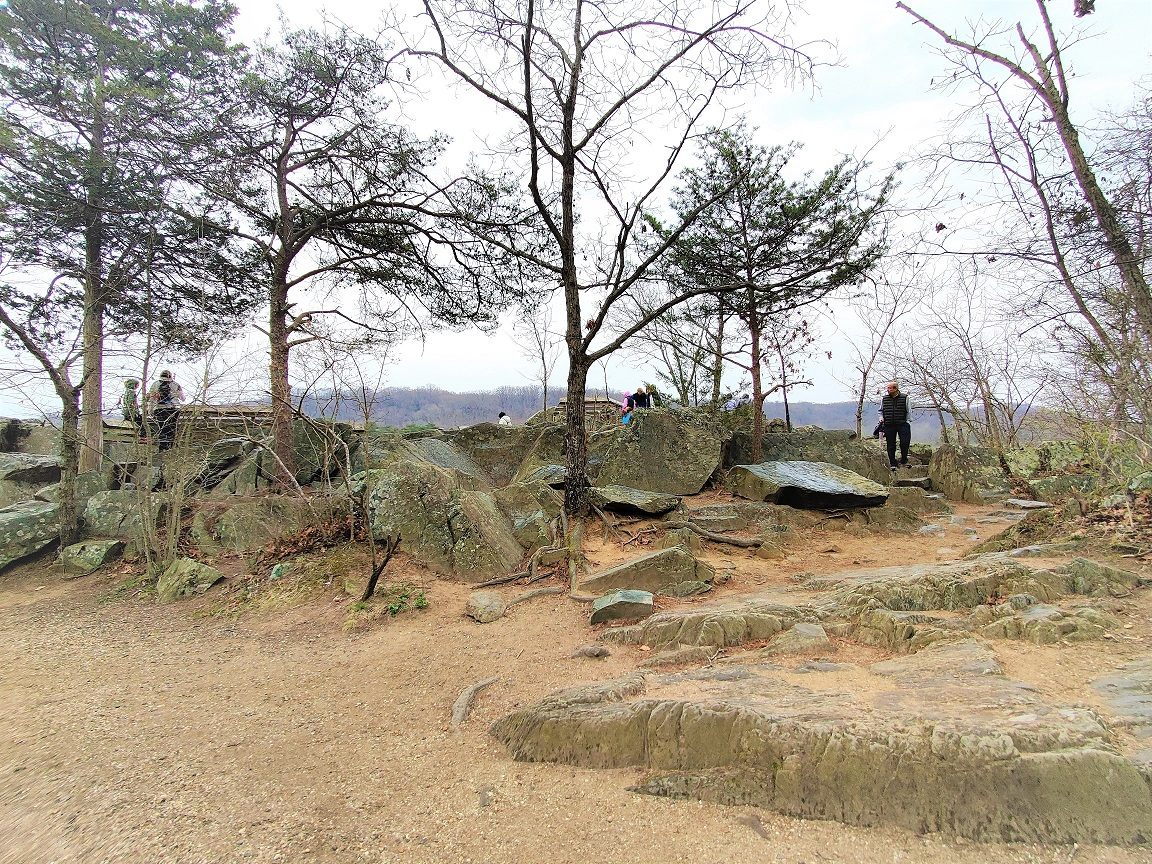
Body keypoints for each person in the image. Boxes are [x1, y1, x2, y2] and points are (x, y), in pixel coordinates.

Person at [147, 369, 185, 451]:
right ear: (170, 376)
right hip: (173, 409)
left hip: (159, 409)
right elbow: (183, 398)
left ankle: (162, 447)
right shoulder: (176, 384)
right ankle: (170, 447)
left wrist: (150, 411)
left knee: (162, 427)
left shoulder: (155, 384)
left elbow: (151, 399)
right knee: (172, 428)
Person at [879, 381, 911, 472]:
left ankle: (904, 460)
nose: (888, 390)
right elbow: (880, 410)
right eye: (887, 388)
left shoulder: (905, 398)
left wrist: (907, 421)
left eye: (890, 388)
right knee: (890, 444)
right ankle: (892, 463)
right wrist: (881, 418)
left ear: (895, 389)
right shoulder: (884, 399)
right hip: (889, 424)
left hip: (903, 424)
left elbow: (909, 411)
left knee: (905, 443)